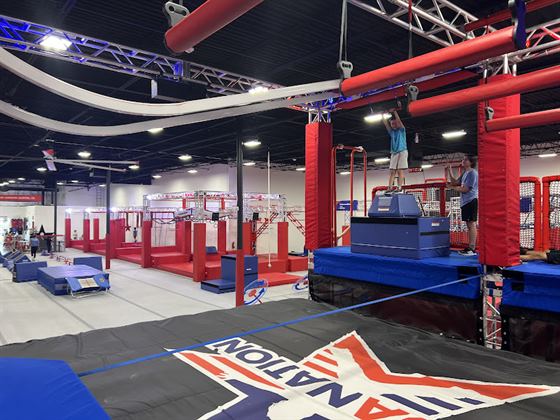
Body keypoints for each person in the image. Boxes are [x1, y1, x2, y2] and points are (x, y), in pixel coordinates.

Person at [446, 155, 478, 256]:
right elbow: (455, 182)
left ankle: (472, 248)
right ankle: (470, 247)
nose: (463, 161)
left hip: (471, 200)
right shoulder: (465, 173)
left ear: (471, 162)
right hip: (465, 202)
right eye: (463, 159)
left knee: (471, 224)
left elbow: (466, 189)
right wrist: (450, 170)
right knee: (468, 224)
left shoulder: (472, 173)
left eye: (466, 159)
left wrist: (452, 188)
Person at [383, 110, 408, 192]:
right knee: (392, 171)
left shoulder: (402, 130)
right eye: (392, 124)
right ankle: (390, 187)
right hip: (394, 152)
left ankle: (399, 187)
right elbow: (386, 124)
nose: (393, 125)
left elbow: (399, 121)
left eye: (395, 123)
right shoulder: (392, 132)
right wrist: (382, 115)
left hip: (402, 151)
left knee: (400, 170)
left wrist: (394, 112)